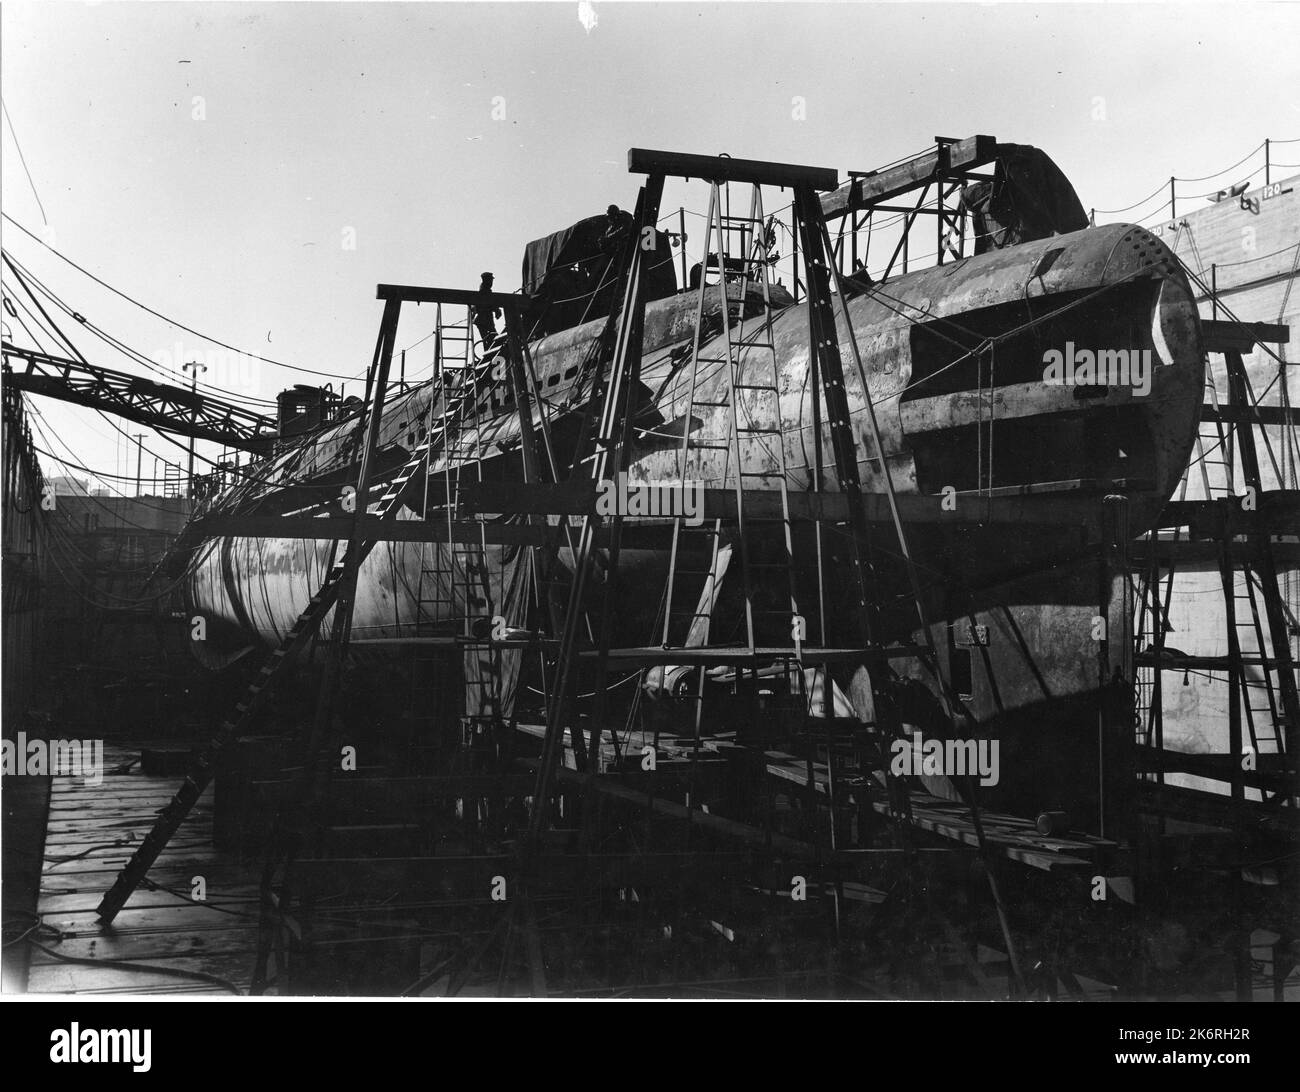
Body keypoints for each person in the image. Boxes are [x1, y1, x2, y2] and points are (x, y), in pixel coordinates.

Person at [473, 271, 501, 350]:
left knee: (489, 340)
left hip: (483, 321)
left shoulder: (484, 290)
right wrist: (496, 309)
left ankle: (488, 352)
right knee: (491, 339)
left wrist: (496, 309)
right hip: (484, 321)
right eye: (491, 280)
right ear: (486, 280)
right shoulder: (485, 291)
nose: (492, 282)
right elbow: (489, 302)